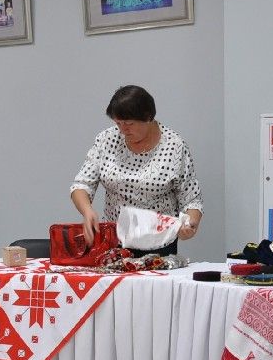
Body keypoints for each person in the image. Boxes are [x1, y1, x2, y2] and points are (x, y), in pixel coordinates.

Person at [70, 84, 203, 256]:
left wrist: (189, 225)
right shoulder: (107, 140)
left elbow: (192, 200)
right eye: (118, 123)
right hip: (114, 241)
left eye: (129, 124)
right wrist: (87, 211)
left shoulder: (174, 146)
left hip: (158, 245)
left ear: (148, 117)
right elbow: (81, 184)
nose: (123, 130)